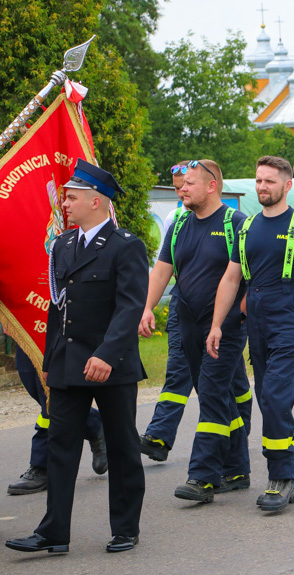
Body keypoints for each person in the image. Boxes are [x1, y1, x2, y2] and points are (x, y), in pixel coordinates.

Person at [6, 159, 148, 554]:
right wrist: (49, 360)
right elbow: (58, 308)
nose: (65, 203)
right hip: (68, 362)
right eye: (66, 196)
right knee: (60, 446)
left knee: (121, 447)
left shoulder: (126, 246)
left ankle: (125, 528)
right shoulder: (64, 244)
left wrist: (106, 354)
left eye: (71, 197)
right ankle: (54, 533)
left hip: (110, 364)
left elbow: (130, 307)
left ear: (97, 201)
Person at [207, 156, 294, 510]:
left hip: (293, 316)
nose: (263, 187)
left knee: (277, 399)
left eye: (270, 181)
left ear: (287, 186)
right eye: (259, 181)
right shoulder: (247, 226)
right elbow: (232, 278)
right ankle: (290, 475)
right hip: (259, 321)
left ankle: (280, 477)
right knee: (268, 399)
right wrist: (217, 324)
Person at [139, 159, 251, 503]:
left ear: (211, 186)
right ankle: (237, 469)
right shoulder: (181, 223)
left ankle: (202, 477)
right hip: (187, 322)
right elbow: (161, 272)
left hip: (225, 327)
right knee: (214, 395)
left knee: (213, 394)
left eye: (188, 184)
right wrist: (146, 308)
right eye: (181, 185)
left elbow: (249, 276)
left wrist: (238, 316)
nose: (182, 189)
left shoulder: (236, 224)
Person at [7, 346, 106, 495]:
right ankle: (93, 424)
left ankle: (42, 465)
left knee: (49, 391)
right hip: (28, 326)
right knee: (30, 377)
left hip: (55, 328)